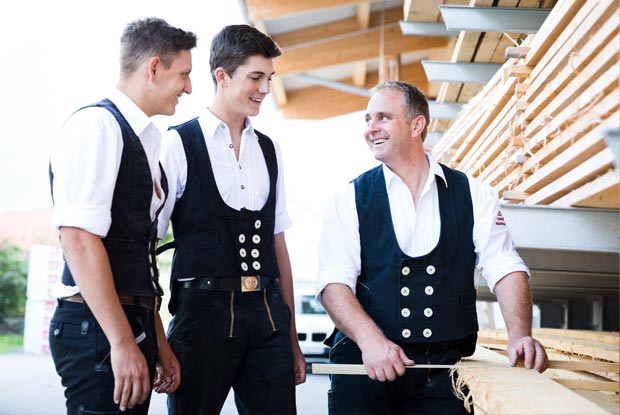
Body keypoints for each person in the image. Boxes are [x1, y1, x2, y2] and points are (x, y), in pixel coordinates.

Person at [316, 81, 549, 414]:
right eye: (368, 119)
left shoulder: (474, 193)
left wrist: (520, 334)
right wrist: (371, 342)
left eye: (383, 117)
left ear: (417, 125)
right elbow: (333, 284)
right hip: (365, 365)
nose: (371, 128)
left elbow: (504, 265)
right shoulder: (349, 198)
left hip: (443, 371)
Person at [48, 17, 197, 414]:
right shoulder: (96, 125)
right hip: (97, 327)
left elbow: (135, 257)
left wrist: (156, 340)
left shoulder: (145, 139)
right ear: (154, 68)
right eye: (184, 74)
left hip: (130, 322)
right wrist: (121, 341)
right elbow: (78, 239)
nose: (188, 87)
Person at [157, 24, 306, 414]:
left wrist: (291, 338)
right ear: (222, 76)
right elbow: (145, 244)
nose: (265, 89)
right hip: (201, 314)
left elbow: (278, 246)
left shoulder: (269, 150)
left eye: (269, 78)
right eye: (256, 77)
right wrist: (155, 337)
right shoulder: (177, 144)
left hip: (268, 317)